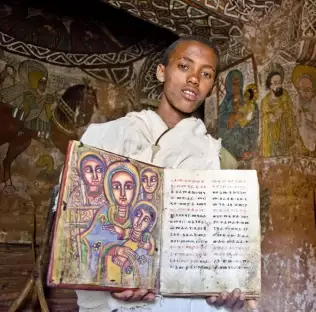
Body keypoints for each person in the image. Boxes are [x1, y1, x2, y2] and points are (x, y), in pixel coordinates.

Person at [72, 35, 258, 311]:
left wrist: (229, 289)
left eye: (205, 74)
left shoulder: (219, 159)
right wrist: (111, 277)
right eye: (184, 67)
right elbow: (78, 229)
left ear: (211, 87)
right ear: (162, 72)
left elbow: (225, 253)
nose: (194, 79)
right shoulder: (106, 138)